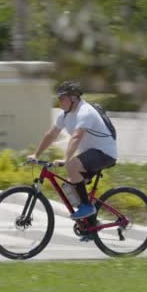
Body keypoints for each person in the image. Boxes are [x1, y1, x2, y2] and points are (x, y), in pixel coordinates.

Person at [28, 81, 117, 219]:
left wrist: (66, 159)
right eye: (58, 99)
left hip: (105, 153)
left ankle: (87, 207)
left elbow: (76, 137)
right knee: (69, 187)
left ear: (73, 98)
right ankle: (90, 223)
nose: (60, 102)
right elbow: (51, 134)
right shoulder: (65, 114)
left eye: (62, 98)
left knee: (72, 165)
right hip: (91, 154)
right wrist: (36, 154)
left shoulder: (85, 112)